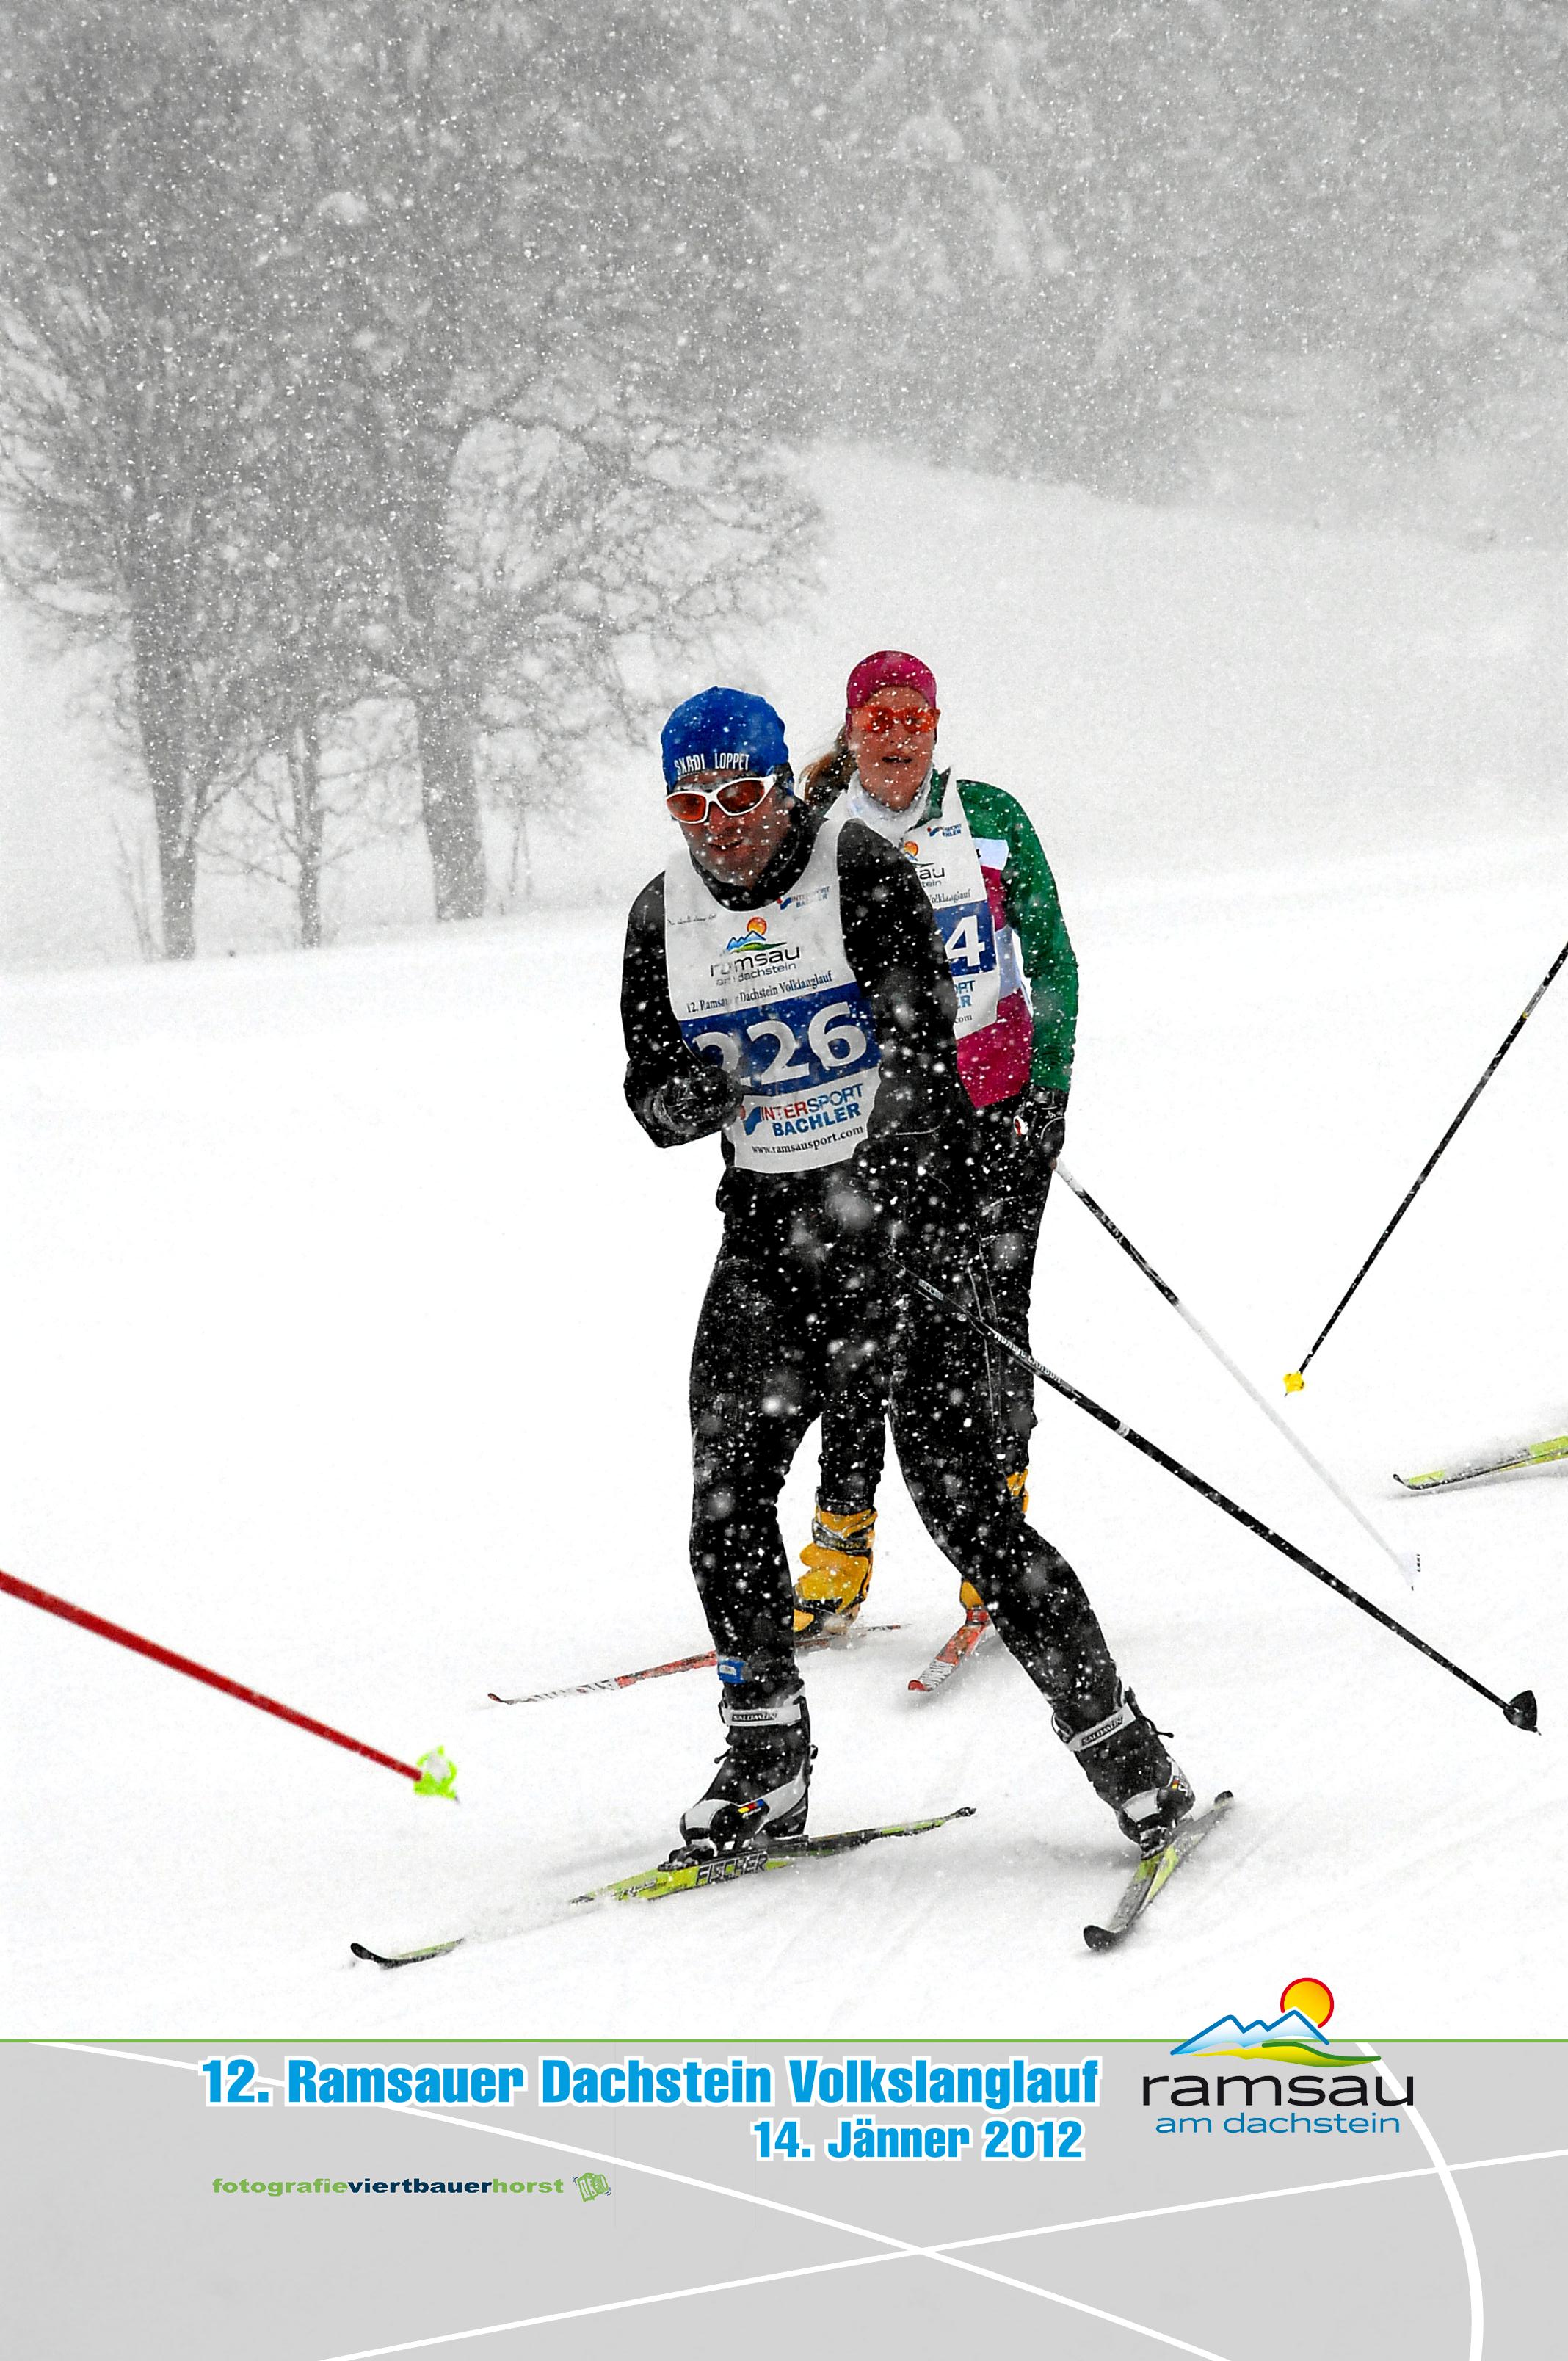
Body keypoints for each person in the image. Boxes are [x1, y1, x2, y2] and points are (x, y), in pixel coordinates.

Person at [620, 683, 1191, 1860]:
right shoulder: (659, 916)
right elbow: (647, 1085)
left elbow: (929, 1060)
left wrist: (897, 1207)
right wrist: (681, 1100)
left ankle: (1124, 1748)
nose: (725, 826)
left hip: (898, 1236)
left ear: (784, 788)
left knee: (969, 1510)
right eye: (694, 805)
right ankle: (766, 1763)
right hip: (767, 1245)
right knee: (725, 1505)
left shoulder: (863, 874)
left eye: (744, 795)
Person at [792, 650, 1076, 1647]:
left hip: (993, 1110)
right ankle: (838, 1553)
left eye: (914, 717)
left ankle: (998, 1553)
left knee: (995, 1323)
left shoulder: (987, 815)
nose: (897, 736)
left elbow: (1050, 956)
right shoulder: (818, 834)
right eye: (878, 719)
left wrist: (1048, 1087)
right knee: (856, 1331)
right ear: (851, 730)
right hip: (870, 1123)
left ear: (937, 726)